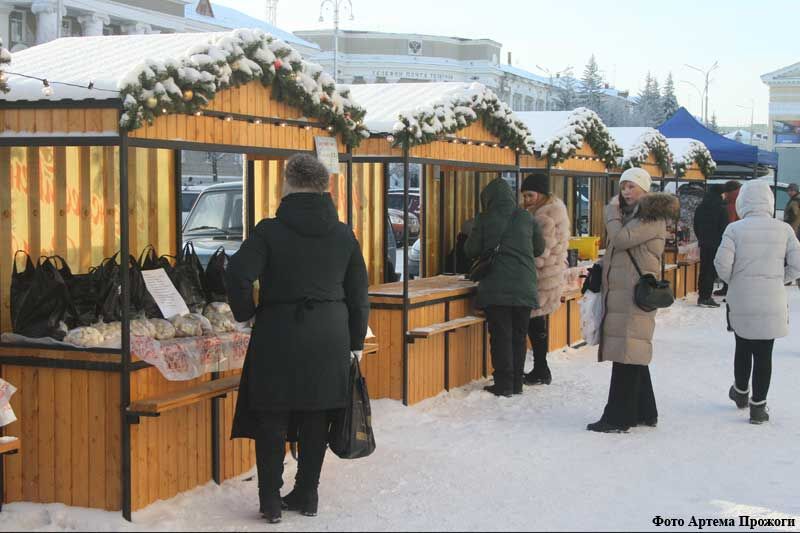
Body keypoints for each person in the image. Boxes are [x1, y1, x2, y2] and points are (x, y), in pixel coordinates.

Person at [226, 154, 370, 523]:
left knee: (271, 415)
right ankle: (307, 493)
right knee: (315, 415)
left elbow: (238, 274)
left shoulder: (269, 231)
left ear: (288, 184)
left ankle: (270, 501)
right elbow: (358, 294)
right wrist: (354, 341)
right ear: (324, 188)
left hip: (278, 332)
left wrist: (247, 314)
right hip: (329, 335)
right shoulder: (343, 234)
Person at [588, 167, 679, 433]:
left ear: (644, 190)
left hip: (633, 295)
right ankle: (644, 411)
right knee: (632, 351)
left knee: (626, 353)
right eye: (623, 186)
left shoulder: (649, 217)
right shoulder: (633, 217)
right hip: (624, 294)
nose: (626, 192)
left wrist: (610, 213)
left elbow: (621, 239)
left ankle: (618, 417)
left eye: (632, 187)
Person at [714, 180, 800, 424]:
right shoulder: (784, 230)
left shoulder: (734, 229)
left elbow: (721, 264)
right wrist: (779, 279)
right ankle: (758, 407)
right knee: (765, 353)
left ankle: (741, 392)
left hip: (741, 298)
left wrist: (735, 280)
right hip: (772, 297)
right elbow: (797, 264)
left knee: (743, 345)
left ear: (743, 202)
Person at [465, 177, 545, 397]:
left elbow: (470, 250)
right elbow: (539, 248)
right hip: (525, 286)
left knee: (501, 337)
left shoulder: (484, 218)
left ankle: (503, 384)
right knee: (519, 337)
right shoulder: (526, 217)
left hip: (496, 288)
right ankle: (517, 383)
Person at [519, 172, 571, 386]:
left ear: (541, 194)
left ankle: (541, 369)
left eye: (530, 195)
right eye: (524, 195)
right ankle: (541, 368)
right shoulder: (555, 209)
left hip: (540, 276)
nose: (526, 200)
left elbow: (540, 250)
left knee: (535, 324)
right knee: (537, 323)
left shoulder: (544, 216)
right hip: (550, 276)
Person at [692, 184, 728, 308]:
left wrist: (701, 238)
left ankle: (702, 295)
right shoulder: (721, 208)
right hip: (716, 244)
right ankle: (706, 297)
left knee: (703, 270)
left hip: (703, 243)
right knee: (711, 271)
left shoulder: (700, 207)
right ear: (720, 194)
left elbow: (695, 225)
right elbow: (724, 228)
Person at [714, 181, 742, 297]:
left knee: (729, 264)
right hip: (741, 238)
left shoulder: (731, 204)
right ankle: (728, 288)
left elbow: (729, 223)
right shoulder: (741, 201)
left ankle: (728, 288)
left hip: (732, 238)